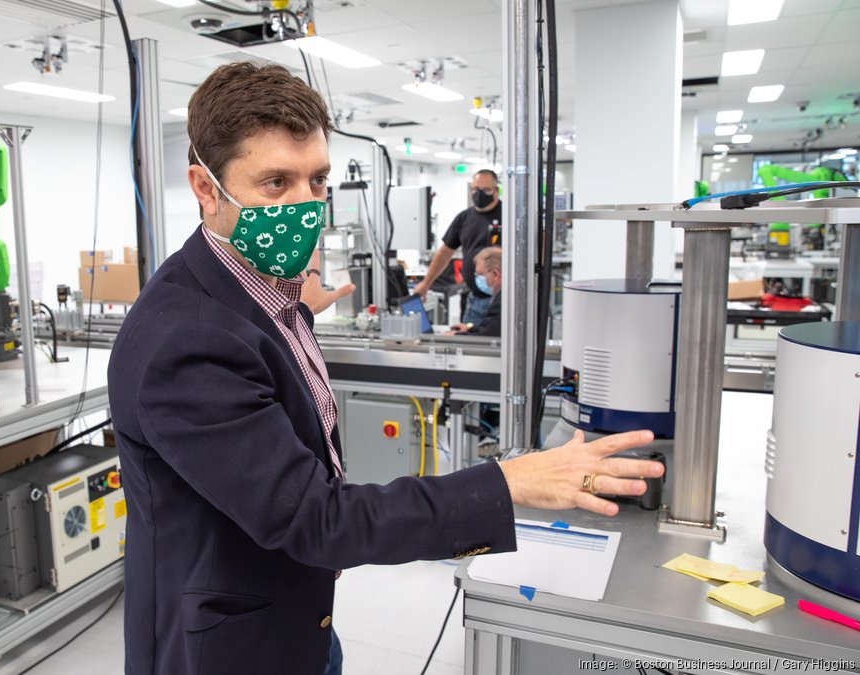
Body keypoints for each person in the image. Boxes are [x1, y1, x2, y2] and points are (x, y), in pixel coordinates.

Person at [107, 63, 662, 675]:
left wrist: (292, 314)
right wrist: (509, 482)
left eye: (317, 180)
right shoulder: (186, 342)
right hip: (231, 647)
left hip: (299, 614)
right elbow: (316, 518)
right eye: (275, 183)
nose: (305, 205)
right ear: (206, 188)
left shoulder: (258, 293)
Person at [412, 169, 502, 326]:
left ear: (496, 190)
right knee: (468, 339)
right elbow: (444, 253)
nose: (479, 194)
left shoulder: (509, 215)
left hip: (502, 301)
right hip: (474, 300)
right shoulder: (464, 218)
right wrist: (426, 283)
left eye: (486, 190)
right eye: (475, 189)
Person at [453, 245, 501, 337]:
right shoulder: (501, 297)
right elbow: (489, 328)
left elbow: (487, 337)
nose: (478, 278)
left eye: (480, 274)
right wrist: (470, 328)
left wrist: (456, 336)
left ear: (495, 274)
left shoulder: (501, 304)